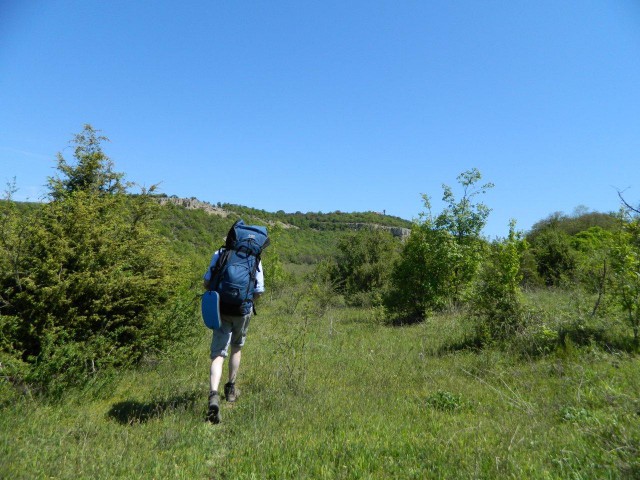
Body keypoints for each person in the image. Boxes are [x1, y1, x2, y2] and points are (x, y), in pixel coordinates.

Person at [203, 246, 264, 424]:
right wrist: (246, 301)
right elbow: (259, 290)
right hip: (242, 310)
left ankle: (213, 395)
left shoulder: (220, 254)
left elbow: (207, 282)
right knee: (236, 348)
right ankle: (230, 390)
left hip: (221, 308)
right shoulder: (255, 258)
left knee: (218, 353)